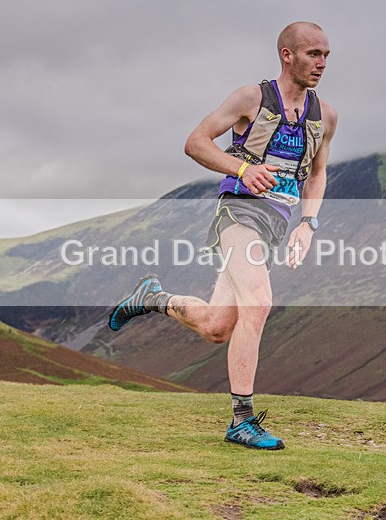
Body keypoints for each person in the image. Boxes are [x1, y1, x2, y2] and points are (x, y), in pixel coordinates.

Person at [107, 22, 338, 449]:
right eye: (312, 54)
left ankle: (151, 298)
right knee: (260, 302)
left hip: (277, 223)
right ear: (287, 55)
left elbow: (318, 173)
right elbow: (196, 143)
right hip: (239, 214)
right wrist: (244, 169)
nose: (321, 63)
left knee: (217, 327)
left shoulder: (326, 115)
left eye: (326, 55)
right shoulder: (252, 98)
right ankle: (241, 420)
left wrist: (308, 222)